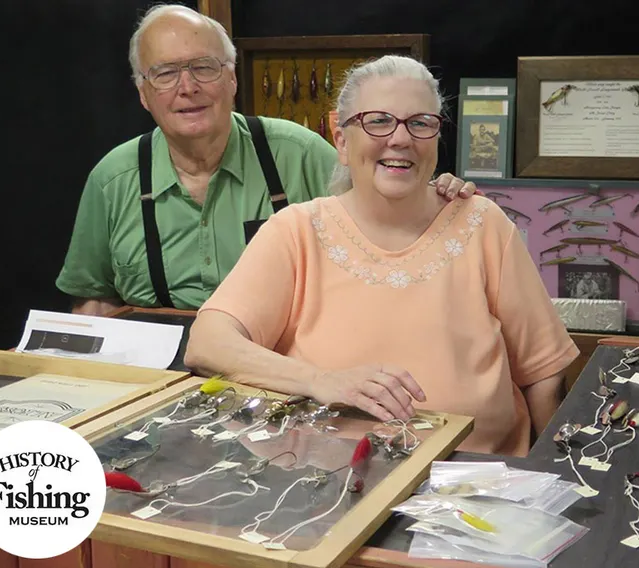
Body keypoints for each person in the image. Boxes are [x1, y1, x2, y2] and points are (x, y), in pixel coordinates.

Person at [184, 55, 579, 456]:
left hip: (478, 482)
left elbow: (544, 375)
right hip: (326, 486)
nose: (401, 139)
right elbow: (208, 344)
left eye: (420, 123)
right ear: (341, 139)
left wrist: (557, 477)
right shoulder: (296, 231)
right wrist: (321, 380)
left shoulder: (483, 223)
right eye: (378, 120)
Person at [54, 4, 475, 317]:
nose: (188, 87)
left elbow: (388, 227)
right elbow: (93, 302)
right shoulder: (113, 179)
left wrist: (435, 198)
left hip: (281, 374)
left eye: (204, 67)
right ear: (143, 93)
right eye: (165, 73)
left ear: (232, 77)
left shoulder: (301, 154)